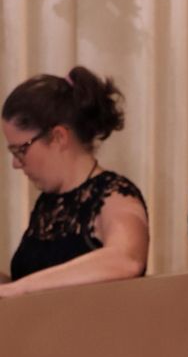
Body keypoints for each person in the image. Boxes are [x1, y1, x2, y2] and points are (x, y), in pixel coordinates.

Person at [1, 67, 147, 296]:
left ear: (59, 137)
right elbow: (40, 285)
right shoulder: (48, 204)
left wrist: (18, 288)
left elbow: (126, 259)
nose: (16, 164)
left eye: (21, 150)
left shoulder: (115, 195)